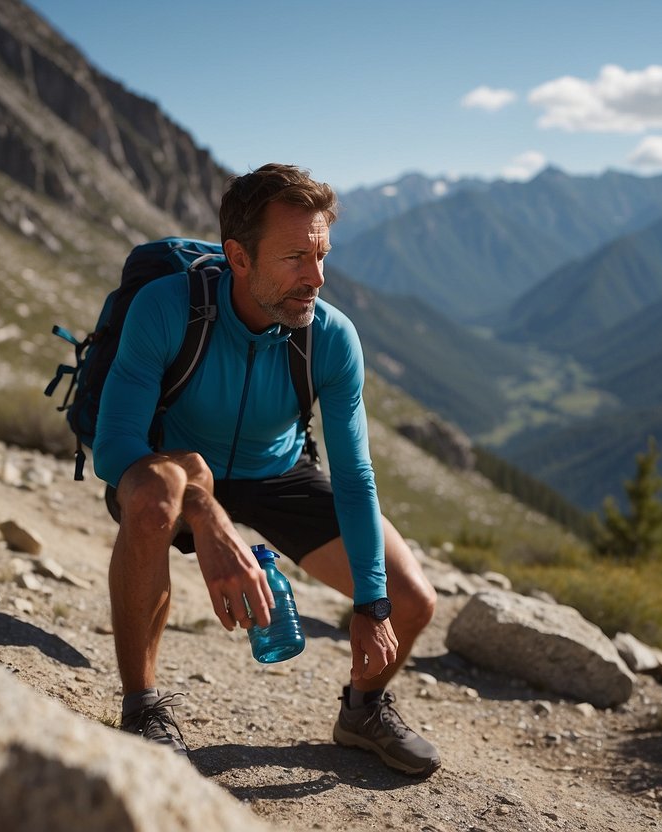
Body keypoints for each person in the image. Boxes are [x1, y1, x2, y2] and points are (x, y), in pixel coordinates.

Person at [93, 163, 441, 776]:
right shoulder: (167, 308)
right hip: (175, 471)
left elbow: (356, 474)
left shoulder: (330, 337)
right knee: (157, 494)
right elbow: (115, 445)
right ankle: (142, 708)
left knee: (412, 599)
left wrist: (374, 605)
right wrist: (202, 510)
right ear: (239, 257)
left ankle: (363, 710)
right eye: (295, 258)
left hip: (277, 472)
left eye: (322, 255)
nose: (317, 278)